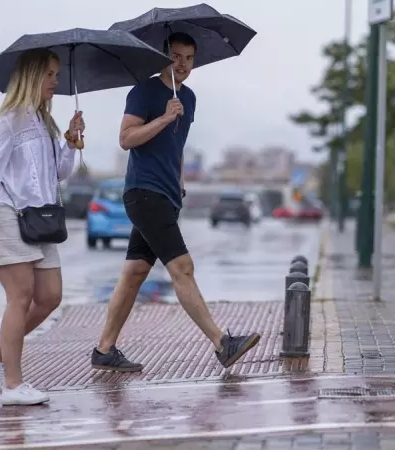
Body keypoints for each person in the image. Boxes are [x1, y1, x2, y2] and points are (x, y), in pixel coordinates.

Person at [91, 32, 260, 373]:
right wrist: (165, 117)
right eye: (176, 56)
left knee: (135, 272)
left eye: (189, 58)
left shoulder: (190, 99)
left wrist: (180, 183)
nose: (182, 63)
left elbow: (176, 145)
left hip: (167, 195)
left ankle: (104, 350)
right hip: (143, 192)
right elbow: (126, 139)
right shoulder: (144, 91)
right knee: (182, 267)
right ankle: (222, 342)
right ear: (163, 57)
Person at [0, 48, 85, 406]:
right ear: (32, 76)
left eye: (56, 74)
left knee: (50, 296)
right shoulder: (9, 120)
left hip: (40, 218)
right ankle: (13, 385)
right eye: (50, 74)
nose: (56, 81)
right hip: (6, 213)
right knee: (20, 296)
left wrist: (68, 142)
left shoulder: (43, 122)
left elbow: (59, 175)